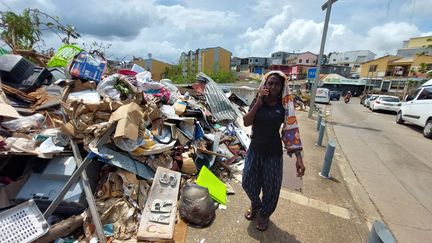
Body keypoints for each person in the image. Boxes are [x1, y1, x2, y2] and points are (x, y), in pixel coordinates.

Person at [242, 71, 305, 231]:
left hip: (273, 154)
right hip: (255, 150)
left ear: (282, 86)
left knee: (271, 189)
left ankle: (264, 215)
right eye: (270, 83)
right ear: (265, 84)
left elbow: (291, 130)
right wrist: (258, 103)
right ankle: (256, 205)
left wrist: (298, 158)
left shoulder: (284, 106)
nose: (273, 86)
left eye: (277, 83)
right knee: (248, 182)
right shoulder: (258, 100)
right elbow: (246, 121)